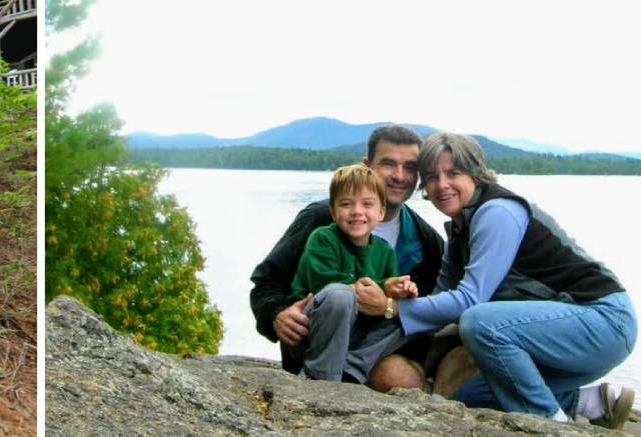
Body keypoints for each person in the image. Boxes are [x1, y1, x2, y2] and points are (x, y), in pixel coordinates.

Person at [386, 132, 636, 427]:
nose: (441, 185)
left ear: (476, 173)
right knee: (469, 396)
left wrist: (391, 307)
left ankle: (551, 424)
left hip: (604, 321)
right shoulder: (459, 230)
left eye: (453, 173)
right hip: (563, 333)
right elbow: (437, 303)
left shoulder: (497, 212)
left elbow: (469, 300)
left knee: (479, 322)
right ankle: (593, 401)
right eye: (431, 176)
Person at [250, 125, 445, 391]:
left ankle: (350, 373)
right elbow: (266, 281)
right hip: (316, 334)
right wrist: (276, 314)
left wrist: (392, 302)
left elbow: (426, 311)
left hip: (370, 346)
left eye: (410, 167)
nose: (400, 176)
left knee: (404, 373)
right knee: (341, 298)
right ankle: (321, 380)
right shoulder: (320, 220)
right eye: (388, 164)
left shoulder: (427, 241)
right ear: (367, 165)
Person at [290, 164, 419, 382]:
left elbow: (384, 298)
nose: (357, 211)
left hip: (356, 334)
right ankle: (320, 376)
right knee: (341, 295)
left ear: (381, 212)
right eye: (346, 204)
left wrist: (400, 290)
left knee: (413, 315)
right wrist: (383, 286)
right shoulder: (322, 238)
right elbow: (325, 285)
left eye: (367, 204)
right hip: (314, 329)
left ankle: (352, 369)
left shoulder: (385, 250)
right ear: (333, 211)